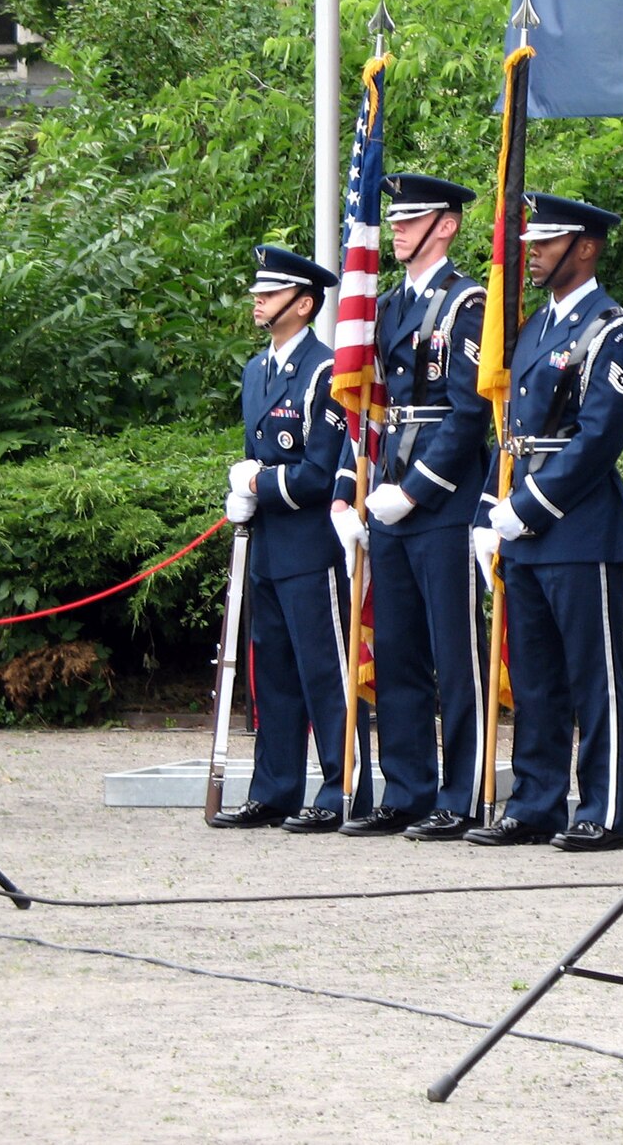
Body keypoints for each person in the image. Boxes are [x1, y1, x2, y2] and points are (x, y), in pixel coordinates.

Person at [468, 194, 623, 851]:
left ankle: (601, 808)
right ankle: (536, 800)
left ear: (587, 247)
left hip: (577, 529)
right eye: (531, 242)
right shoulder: (532, 329)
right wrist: (489, 512)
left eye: (548, 241)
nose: (533, 252)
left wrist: (525, 508)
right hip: (523, 530)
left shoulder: (613, 330)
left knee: (591, 678)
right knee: (536, 678)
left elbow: (597, 440)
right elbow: (510, 432)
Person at [332, 174, 492, 840]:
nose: (397, 230)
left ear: (446, 225)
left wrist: (415, 490)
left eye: (413, 219)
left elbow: (468, 415)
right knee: (396, 651)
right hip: (388, 496)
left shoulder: (468, 304)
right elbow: (368, 405)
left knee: (456, 659)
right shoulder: (389, 307)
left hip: (441, 504)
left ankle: (464, 794)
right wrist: (353, 490)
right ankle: (407, 788)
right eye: (394, 220)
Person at [210, 248, 375, 832]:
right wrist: (251, 488)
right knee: (273, 675)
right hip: (270, 547)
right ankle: (274, 789)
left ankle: (342, 788)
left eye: (270, 291)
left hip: (311, 544)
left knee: (324, 671)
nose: (258, 298)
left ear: (303, 304)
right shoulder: (258, 371)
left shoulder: (327, 372)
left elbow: (316, 473)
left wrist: (258, 479)